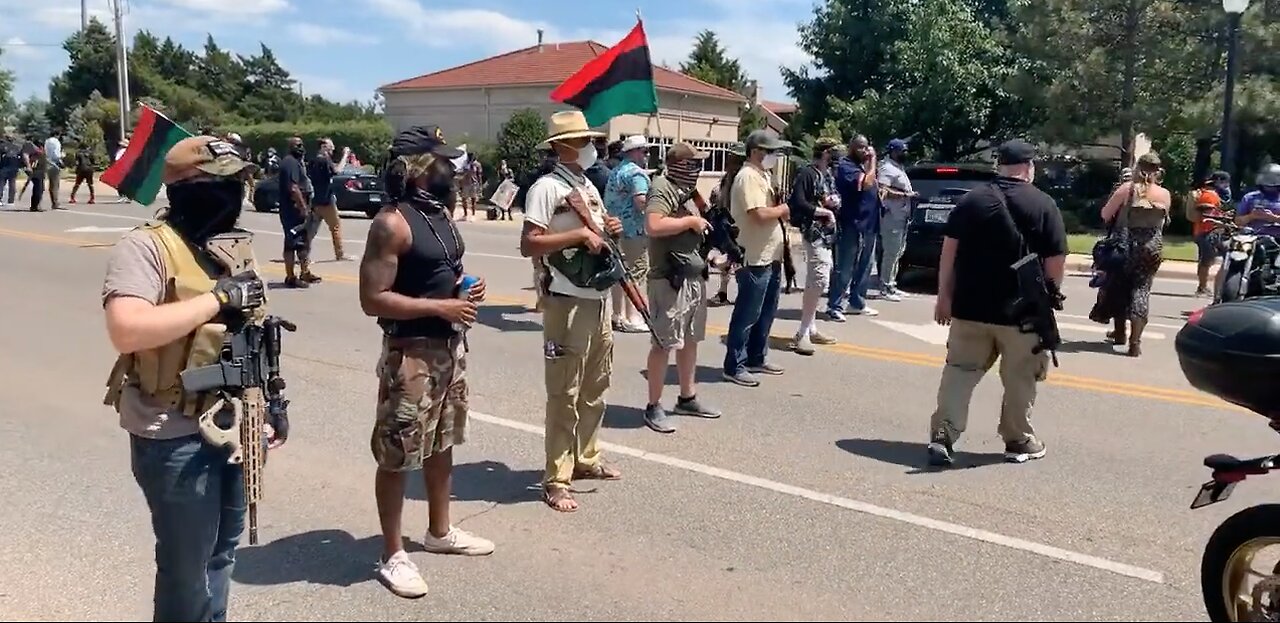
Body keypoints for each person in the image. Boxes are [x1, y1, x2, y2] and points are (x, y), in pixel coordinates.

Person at [101, 135, 275, 621]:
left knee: (222, 554)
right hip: (173, 432)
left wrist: (273, 405)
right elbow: (127, 329)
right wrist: (218, 299)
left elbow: (255, 333)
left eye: (237, 182)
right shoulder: (146, 247)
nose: (234, 193)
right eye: (221, 183)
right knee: (186, 568)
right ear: (183, 188)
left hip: (237, 426)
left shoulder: (232, 248)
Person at [359, 124, 494, 599]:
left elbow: (444, 274)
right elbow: (373, 299)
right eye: (441, 162)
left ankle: (440, 531)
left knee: (441, 442)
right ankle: (392, 553)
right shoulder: (391, 223)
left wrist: (463, 290)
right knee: (398, 454)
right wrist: (442, 307)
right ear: (418, 168)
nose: (451, 170)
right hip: (411, 354)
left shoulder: (439, 215)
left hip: (449, 350)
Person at [928, 139, 1068, 467]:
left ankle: (942, 436)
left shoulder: (972, 200)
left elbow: (949, 250)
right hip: (1021, 315)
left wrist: (944, 296)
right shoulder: (1044, 204)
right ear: (1029, 167)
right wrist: (1049, 298)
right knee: (1020, 377)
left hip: (969, 308)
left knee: (959, 372)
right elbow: (1055, 262)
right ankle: (1018, 439)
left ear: (999, 165)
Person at [520, 110, 625, 513]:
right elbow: (531, 243)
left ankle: (586, 457)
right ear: (563, 146)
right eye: (584, 141)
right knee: (564, 391)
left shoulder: (585, 185)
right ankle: (557, 477)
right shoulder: (546, 188)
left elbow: (595, 230)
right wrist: (580, 234)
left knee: (596, 384)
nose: (592, 148)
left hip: (596, 296)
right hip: (566, 298)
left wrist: (606, 227)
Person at [641, 142, 723, 433]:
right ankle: (653, 406)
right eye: (693, 164)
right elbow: (653, 225)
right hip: (669, 278)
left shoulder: (687, 191)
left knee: (689, 340)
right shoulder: (662, 187)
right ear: (680, 165)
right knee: (664, 343)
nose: (698, 169)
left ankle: (687, 397)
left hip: (692, 276)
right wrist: (690, 221)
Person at [722, 129, 792, 387]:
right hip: (753, 256)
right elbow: (757, 214)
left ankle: (756, 357)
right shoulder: (748, 177)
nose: (774, 156)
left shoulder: (763, 175)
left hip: (769, 255)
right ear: (756, 152)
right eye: (770, 151)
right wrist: (783, 210)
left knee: (765, 311)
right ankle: (734, 364)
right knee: (747, 313)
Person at [1088, 153, 1170, 357]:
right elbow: (1164, 222)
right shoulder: (1164, 194)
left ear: (1137, 167)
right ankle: (1135, 343)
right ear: (1157, 171)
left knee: (1117, 287)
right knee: (1141, 290)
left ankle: (1119, 333)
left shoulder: (1126, 189)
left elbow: (1105, 215)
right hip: (1151, 247)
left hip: (1124, 245)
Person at [787, 137, 842, 355]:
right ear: (825, 152)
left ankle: (811, 327)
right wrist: (822, 211)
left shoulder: (827, 175)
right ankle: (802, 332)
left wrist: (833, 203)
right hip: (813, 232)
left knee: (818, 278)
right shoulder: (807, 173)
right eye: (833, 152)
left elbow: (831, 195)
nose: (836, 156)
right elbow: (798, 202)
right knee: (819, 278)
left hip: (827, 234)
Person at [827, 135, 881, 320]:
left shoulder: (861, 167)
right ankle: (835, 305)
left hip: (869, 223)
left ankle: (856, 302)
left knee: (865, 265)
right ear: (852, 148)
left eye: (867, 148)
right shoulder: (846, 166)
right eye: (861, 148)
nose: (865, 151)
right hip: (852, 223)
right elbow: (866, 184)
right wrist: (873, 161)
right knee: (845, 266)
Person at [603, 134, 652, 333]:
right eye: (644, 151)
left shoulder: (616, 171)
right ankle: (633, 316)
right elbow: (641, 201)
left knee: (620, 273)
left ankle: (617, 315)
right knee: (637, 272)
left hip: (615, 229)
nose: (647, 155)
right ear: (634, 152)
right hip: (634, 231)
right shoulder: (637, 174)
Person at [876, 138, 917, 301]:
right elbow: (882, 189)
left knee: (898, 252)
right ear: (893, 151)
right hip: (891, 216)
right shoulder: (887, 168)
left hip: (902, 216)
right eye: (902, 150)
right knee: (890, 252)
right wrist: (906, 195)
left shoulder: (898, 168)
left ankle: (892, 284)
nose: (905, 153)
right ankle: (885, 287)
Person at [278, 137, 321, 288]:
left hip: (297, 210)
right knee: (293, 243)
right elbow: (293, 188)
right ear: (290, 147)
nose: (301, 148)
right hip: (293, 211)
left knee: (302, 242)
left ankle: (305, 271)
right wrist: (303, 208)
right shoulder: (290, 163)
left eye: (302, 145)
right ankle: (290, 276)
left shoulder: (295, 162)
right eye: (297, 145)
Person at [307, 137, 351, 261]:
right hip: (327, 201)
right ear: (323, 147)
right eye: (330, 147)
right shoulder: (325, 160)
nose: (332, 150)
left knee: (311, 230)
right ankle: (340, 254)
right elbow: (337, 170)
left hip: (315, 200)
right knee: (335, 226)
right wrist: (345, 155)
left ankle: (303, 253)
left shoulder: (312, 160)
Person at [44, 128, 64, 211]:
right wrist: (62, 157)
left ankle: (54, 201)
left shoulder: (47, 141)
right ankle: (55, 202)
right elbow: (56, 154)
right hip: (55, 164)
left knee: (51, 184)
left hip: (48, 163)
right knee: (55, 184)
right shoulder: (56, 142)